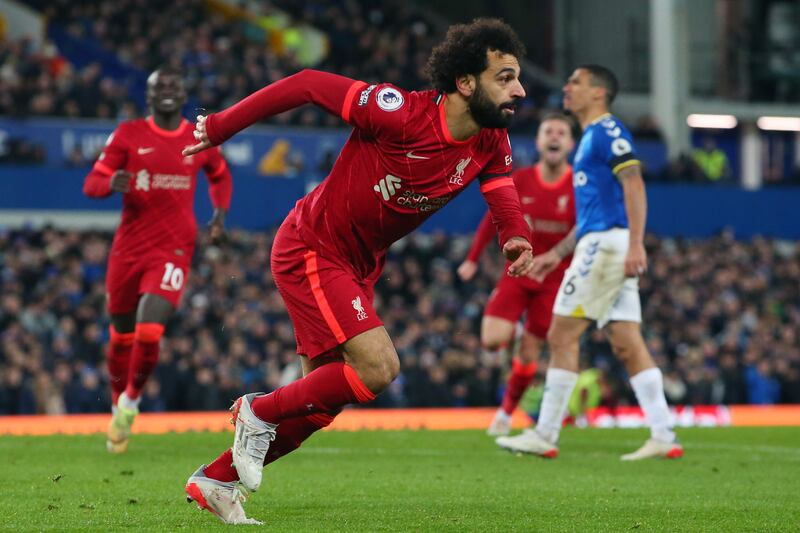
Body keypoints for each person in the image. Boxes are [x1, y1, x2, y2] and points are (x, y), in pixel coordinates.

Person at [181, 18, 535, 525]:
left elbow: (499, 184)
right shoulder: (400, 113)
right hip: (314, 247)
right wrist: (219, 127)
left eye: (518, 77)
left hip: (359, 263)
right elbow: (304, 83)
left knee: (319, 405)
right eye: (505, 77)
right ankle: (256, 411)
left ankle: (215, 480)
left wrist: (515, 234)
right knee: (379, 367)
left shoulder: (489, 139)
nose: (519, 90)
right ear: (465, 83)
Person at [496, 65, 683, 460]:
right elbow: (588, 217)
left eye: (576, 82)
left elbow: (634, 181)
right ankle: (664, 433)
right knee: (627, 344)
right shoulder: (587, 141)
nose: (566, 88)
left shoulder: (607, 131)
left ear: (598, 92)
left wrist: (636, 244)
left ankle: (545, 434)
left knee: (561, 336)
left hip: (608, 247)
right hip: (602, 242)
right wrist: (555, 256)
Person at [83, 67, 232, 454]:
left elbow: (220, 175)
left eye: (172, 86)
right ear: (148, 96)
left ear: (183, 94)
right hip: (128, 250)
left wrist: (218, 215)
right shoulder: (129, 134)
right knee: (121, 335)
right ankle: (118, 403)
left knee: (149, 331)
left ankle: (131, 402)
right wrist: (109, 184)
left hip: (174, 249)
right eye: (158, 86)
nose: (166, 91)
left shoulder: (197, 138)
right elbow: (92, 182)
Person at [457, 112, 576, 436]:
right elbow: (492, 216)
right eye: (547, 131)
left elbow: (586, 228)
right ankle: (515, 334)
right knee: (492, 340)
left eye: (560, 132)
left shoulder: (578, 185)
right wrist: (472, 258)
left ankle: (506, 414)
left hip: (554, 281)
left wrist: (556, 256)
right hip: (518, 273)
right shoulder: (521, 179)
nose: (554, 136)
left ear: (570, 143)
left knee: (529, 357)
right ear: (538, 141)